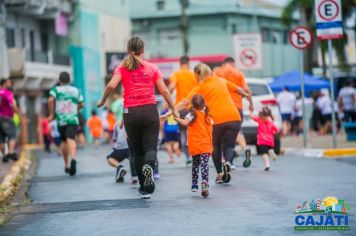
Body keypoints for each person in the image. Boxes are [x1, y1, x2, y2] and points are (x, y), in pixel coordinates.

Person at [98, 36, 178, 199]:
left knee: (137, 151)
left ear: (128, 50)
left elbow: (111, 85)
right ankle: (150, 167)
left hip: (130, 112)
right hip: (149, 110)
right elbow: (164, 91)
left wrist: (103, 100)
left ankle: (144, 186)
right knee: (150, 147)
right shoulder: (152, 67)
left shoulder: (122, 68)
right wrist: (174, 109)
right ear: (143, 50)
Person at [175, 63, 249, 184]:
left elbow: (184, 102)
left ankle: (220, 174)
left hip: (216, 120)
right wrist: (244, 94)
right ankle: (228, 163)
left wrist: (169, 112)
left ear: (197, 74)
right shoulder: (221, 80)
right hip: (233, 117)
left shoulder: (200, 87)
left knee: (215, 147)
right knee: (229, 145)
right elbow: (238, 89)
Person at [213, 57, 253, 169]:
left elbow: (213, 85)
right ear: (232, 63)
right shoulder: (238, 73)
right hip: (237, 107)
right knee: (237, 131)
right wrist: (251, 104)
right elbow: (246, 89)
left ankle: (227, 161)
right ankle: (245, 149)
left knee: (221, 135)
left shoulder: (217, 72)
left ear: (223, 63)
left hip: (222, 107)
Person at [175, 95, 213, 197]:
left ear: (192, 104)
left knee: (195, 164)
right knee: (205, 164)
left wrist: (177, 118)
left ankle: (195, 184)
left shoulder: (191, 114)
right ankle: (205, 182)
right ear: (203, 104)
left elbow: (184, 123)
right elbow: (211, 126)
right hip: (205, 143)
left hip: (195, 144)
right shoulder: (206, 114)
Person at [48, 71, 84, 176]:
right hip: (72, 119)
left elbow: (50, 100)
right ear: (69, 80)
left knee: (64, 141)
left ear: (59, 80)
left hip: (61, 119)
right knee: (71, 139)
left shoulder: (56, 89)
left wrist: (51, 114)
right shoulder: (76, 90)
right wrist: (75, 109)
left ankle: (66, 165)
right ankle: (73, 159)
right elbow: (82, 104)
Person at [168, 56, 198, 167]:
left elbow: (172, 86)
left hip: (181, 108)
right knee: (194, 131)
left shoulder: (176, 74)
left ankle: (188, 158)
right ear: (188, 63)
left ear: (180, 63)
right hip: (193, 107)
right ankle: (195, 155)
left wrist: (169, 96)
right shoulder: (193, 74)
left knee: (183, 132)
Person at [0, 78, 21, 162]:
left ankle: (4, 155)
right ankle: (11, 152)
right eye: (8, 82)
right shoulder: (7, 93)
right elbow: (12, 105)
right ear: (4, 84)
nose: (10, 83)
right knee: (12, 135)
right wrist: (19, 114)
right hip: (6, 117)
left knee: (1, 138)